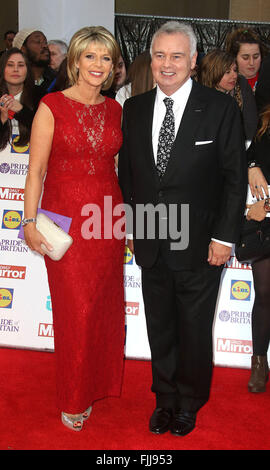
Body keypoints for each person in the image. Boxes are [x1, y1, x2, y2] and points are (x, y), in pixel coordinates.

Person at [118, 21, 247, 437]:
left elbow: (234, 178)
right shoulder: (134, 109)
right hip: (152, 241)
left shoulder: (221, 107)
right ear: (150, 60)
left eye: (177, 56)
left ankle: (189, 402)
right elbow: (129, 177)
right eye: (160, 55)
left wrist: (225, 237)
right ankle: (165, 399)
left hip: (202, 244)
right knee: (161, 326)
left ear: (193, 61)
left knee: (193, 327)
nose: (167, 64)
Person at [23, 26, 125, 431]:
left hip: (107, 219)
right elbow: (35, 171)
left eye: (106, 58)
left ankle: (97, 384)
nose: (98, 66)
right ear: (75, 61)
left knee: (103, 309)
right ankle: (72, 396)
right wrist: (29, 221)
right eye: (90, 57)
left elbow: (116, 168)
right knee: (75, 311)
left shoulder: (115, 109)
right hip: (64, 221)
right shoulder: (51, 105)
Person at [245, 105, 270, 393]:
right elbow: (248, 158)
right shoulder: (264, 124)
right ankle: (259, 361)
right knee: (264, 292)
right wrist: (251, 166)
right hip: (266, 226)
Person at [198, 49, 258, 143]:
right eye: (227, 72)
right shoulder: (198, 96)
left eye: (235, 70)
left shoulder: (241, 85)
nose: (234, 75)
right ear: (213, 72)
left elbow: (251, 122)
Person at [0, 47, 38, 150]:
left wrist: (21, 111)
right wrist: (2, 119)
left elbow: (45, 130)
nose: (15, 69)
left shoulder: (40, 95)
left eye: (21, 65)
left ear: (27, 69)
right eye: (10, 65)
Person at [12, 29, 56, 97]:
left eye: (45, 42)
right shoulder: (14, 82)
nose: (45, 46)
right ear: (23, 49)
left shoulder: (57, 80)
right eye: (38, 42)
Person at [225, 28, 265, 93]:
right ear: (234, 57)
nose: (251, 63)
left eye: (256, 57)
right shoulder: (225, 83)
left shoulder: (266, 80)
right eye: (245, 58)